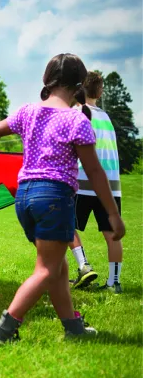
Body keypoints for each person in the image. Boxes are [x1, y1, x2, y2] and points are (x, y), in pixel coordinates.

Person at [0, 53, 125, 344]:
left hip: (25, 197)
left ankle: (72, 327)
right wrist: (113, 214)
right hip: (54, 196)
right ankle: (5, 327)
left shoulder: (29, 112)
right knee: (46, 269)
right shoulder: (76, 121)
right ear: (79, 85)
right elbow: (94, 170)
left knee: (59, 267)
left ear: (47, 79)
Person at [68, 71, 124, 294]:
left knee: (65, 225)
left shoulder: (77, 113)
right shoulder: (107, 118)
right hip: (110, 185)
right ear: (100, 92)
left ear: (79, 89)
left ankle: (84, 266)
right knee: (111, 235)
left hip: (83, 180)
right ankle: (114, 283)